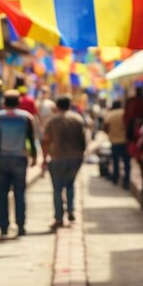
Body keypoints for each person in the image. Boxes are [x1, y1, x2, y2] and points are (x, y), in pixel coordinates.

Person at [0, 89, 37, 237]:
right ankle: (20, 225)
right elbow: (31, 139)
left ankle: (3, 228)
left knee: (2, 194)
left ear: (4, 102)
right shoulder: (27, 117)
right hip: (19, 159)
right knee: (19, 194)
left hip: (1, 159)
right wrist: (34, 156)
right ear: (18, 102)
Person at [42, 95, 86, 228]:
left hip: (57, 157)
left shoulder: (52, 120)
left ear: (57, 106)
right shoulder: (78, 119)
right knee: (70, 185)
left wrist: (44, 159)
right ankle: (71, 210)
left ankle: (59, 218)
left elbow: (46, 140)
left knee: (57, 189)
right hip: (75, 157)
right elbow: (83, 139)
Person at [104, 100, 130, 189]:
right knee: (127, 162)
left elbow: (106, 127)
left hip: (114, 141)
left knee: (115, 161)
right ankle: (126, 181)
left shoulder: (110, 114)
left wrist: (111, 134)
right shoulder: (124, 113)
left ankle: (115, 178)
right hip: (125, 141)